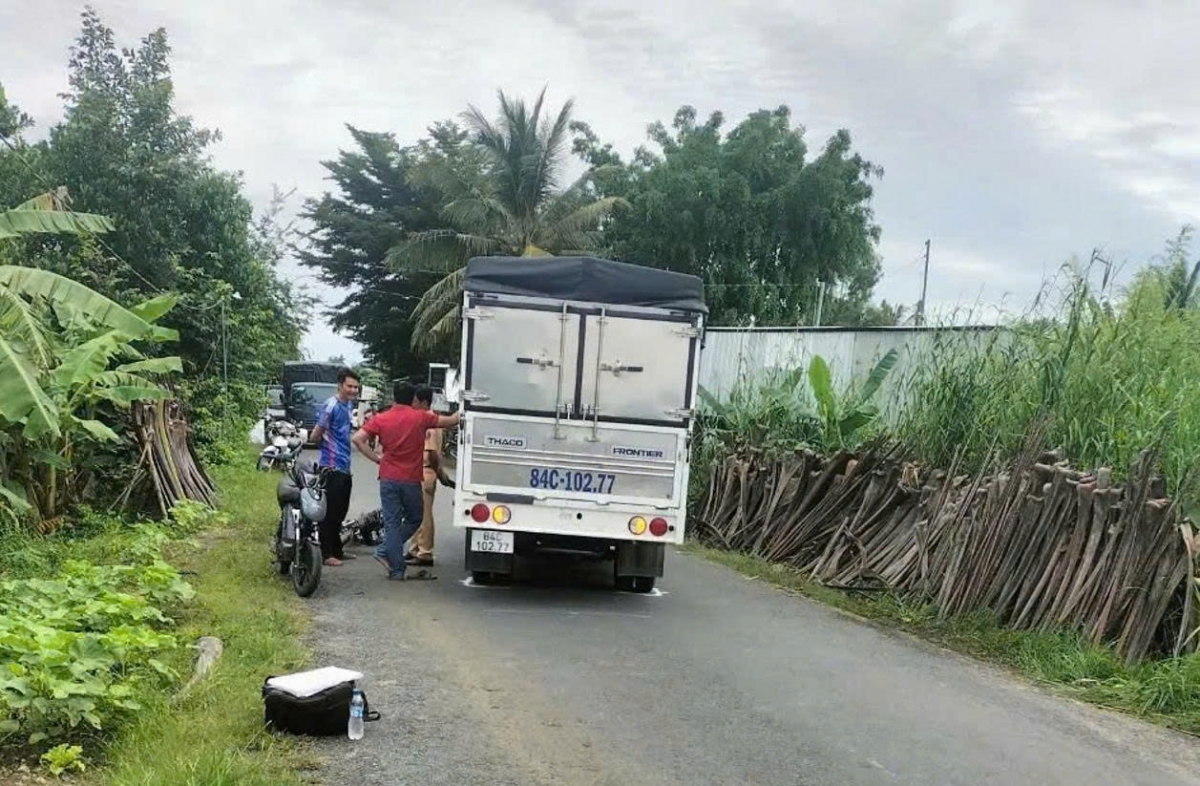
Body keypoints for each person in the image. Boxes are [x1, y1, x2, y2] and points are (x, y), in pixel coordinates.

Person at [352, 380, 459, 580]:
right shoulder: (421, 417)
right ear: (412, 399)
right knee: (415, 518)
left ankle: (392, 562)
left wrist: (377, 459)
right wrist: (466, 409)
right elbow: (451, 420)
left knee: (391, 523)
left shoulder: (381, 418)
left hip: (387, 477)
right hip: (410, 478)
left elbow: (357, 439)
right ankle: (389, 558)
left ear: (394, 397)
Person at [308, 367, 360, 567]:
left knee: (340, 512)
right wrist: (328, 448)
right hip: (331, 467)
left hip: (344, 466)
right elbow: (315, 435)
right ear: (340, 385)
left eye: (356, 387)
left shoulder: (348, 406)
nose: (353, 390)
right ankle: (326, 553)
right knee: (329, 513)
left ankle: (337, 550)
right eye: (349, 386)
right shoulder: (330, 406)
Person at [407, 386, 454, 567]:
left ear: (424, 402)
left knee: (424, 515)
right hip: (419, 471)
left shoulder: (430, 422)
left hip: (425, 471)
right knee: (415, 514)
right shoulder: (424, 419)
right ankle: (414, 548)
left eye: (415, 401)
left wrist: (440, 473)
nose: (412, 404)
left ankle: (425, 552)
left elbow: (432, 453)